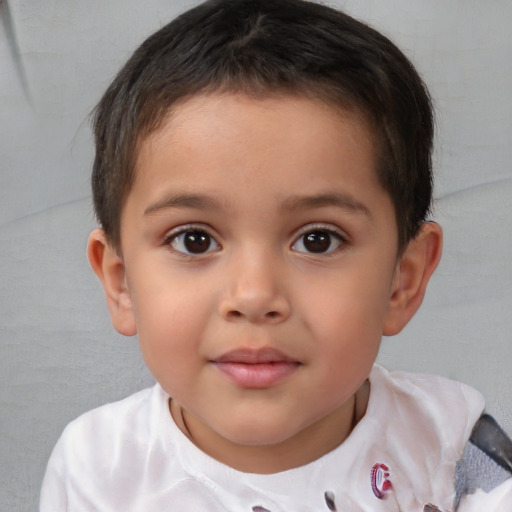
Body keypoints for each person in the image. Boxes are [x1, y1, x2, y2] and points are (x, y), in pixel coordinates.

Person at [39, 0, 512, 510]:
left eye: (318, 240)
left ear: (404, 279)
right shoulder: (100, 471)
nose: (255, 296)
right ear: (120, 281)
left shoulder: (454, 449)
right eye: (195, 239)